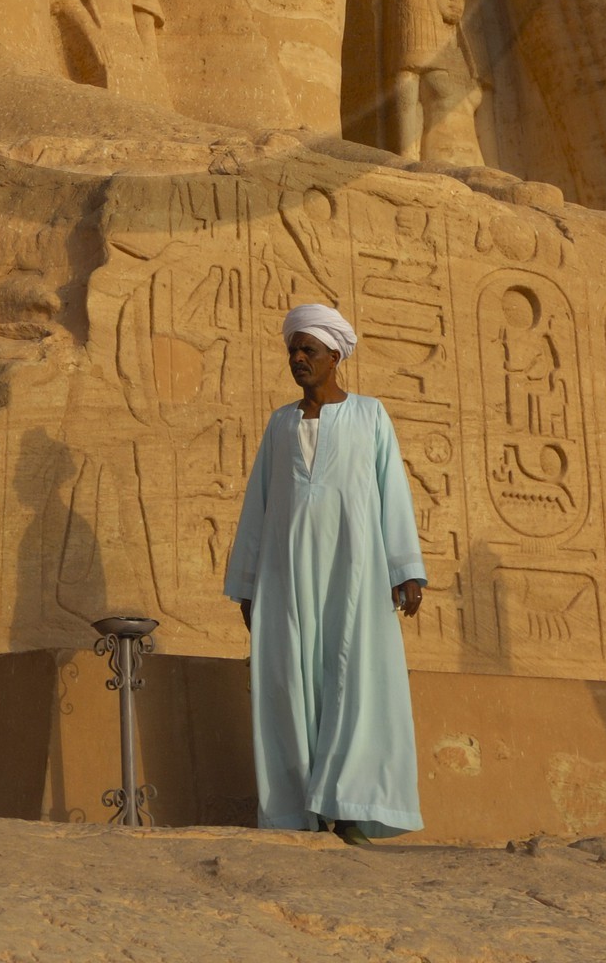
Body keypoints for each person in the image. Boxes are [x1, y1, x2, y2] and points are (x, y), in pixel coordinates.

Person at [224, 301, 427, 843]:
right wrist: (248, 585)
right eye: (293, 350)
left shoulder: (370, 415)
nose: (298, 359)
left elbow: (392, 494)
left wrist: (405, 568)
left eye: (308, 350)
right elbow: (258, 506)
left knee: (352, 679)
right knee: (290, 684)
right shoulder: (280, 424)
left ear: (335, 355)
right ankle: (297, 814)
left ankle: (352, 807)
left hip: (354, 574)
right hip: (287, 577)